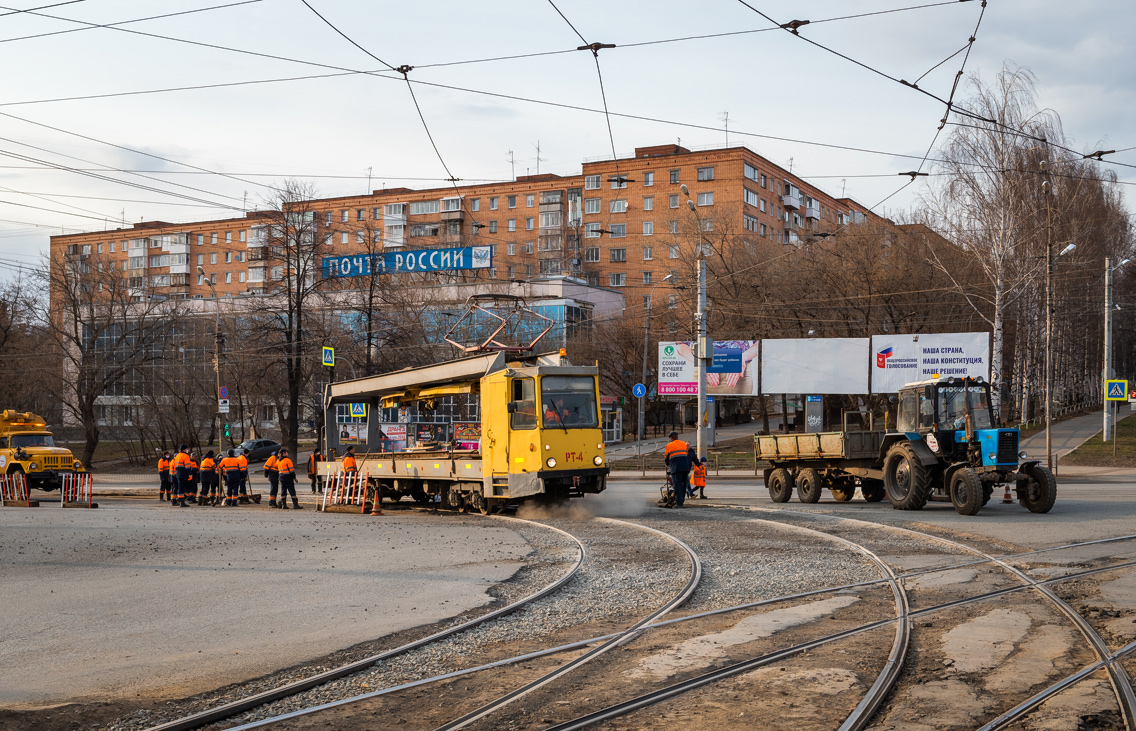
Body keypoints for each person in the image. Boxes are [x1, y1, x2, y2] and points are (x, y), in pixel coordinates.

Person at [663, 432, 691, 508]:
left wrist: (667, 463)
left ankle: (679, 503)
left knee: (677, 485)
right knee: (683, 484)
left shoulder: (669, 445)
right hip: (685, 467)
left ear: (671, 438)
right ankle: (682, 500)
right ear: (677, 436)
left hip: (676, 468)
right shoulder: (683, 444)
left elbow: (666, 457)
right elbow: (686, 454)